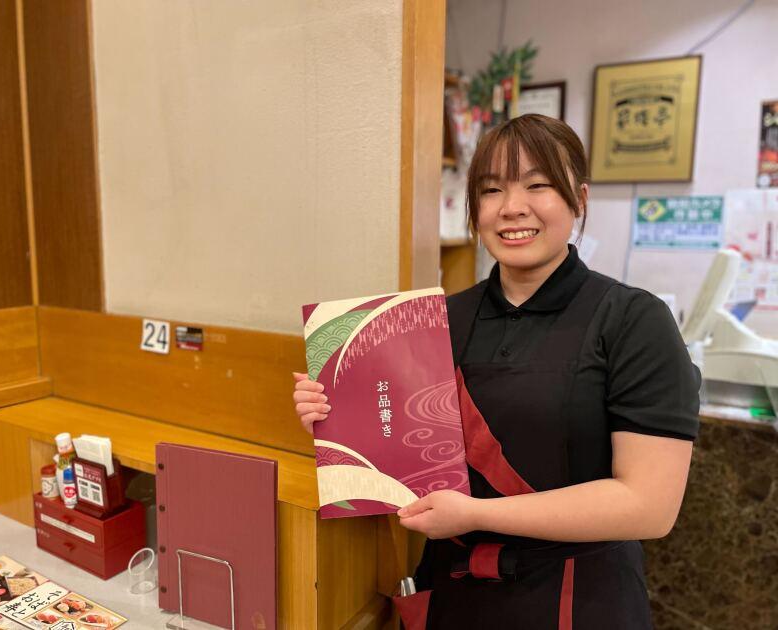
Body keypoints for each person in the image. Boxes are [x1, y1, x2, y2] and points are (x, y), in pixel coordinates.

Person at [292, 114, 700, 629]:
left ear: (579, 197)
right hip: (454, 595)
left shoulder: (633, 319)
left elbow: (649, 506)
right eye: (490, 190)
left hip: (577, 597)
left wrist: (478, 515)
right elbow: (402, 454)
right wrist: (336, 416)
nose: (512, 208)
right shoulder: (434, 319)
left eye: (537, 185)